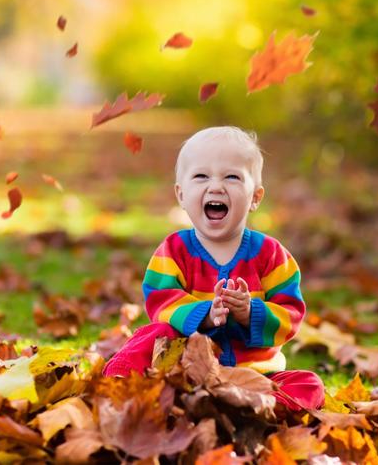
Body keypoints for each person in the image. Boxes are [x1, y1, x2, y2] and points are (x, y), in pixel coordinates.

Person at [102, 126, 325, 412]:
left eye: (231, 177)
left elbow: (291, 315)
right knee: (153, 333)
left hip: (255, 377)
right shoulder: (174, 250)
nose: (216, 186)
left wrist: (250, 313)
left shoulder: (272, 255)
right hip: (187, 369)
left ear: (255, 197)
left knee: (309, 384)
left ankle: (260, 409)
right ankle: (120, 382)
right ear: (181, 195)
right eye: (201, 176)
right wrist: (204, 315)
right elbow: (160, 300)